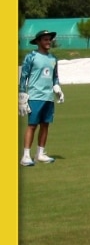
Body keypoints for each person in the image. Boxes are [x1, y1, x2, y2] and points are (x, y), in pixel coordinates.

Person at [19, 29, 64, 166]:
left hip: (48, 97)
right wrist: (21, 94)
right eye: (45, 39)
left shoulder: (53, 59)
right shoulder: (31, 56)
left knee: (45, 125)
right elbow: (23, 76)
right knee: (32, 125)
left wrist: (57, 88)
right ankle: (26, 156)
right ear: (38, 42)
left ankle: (40, 154)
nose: (48, 42)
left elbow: (54, 77)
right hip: (35, 96)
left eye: (49, 39)